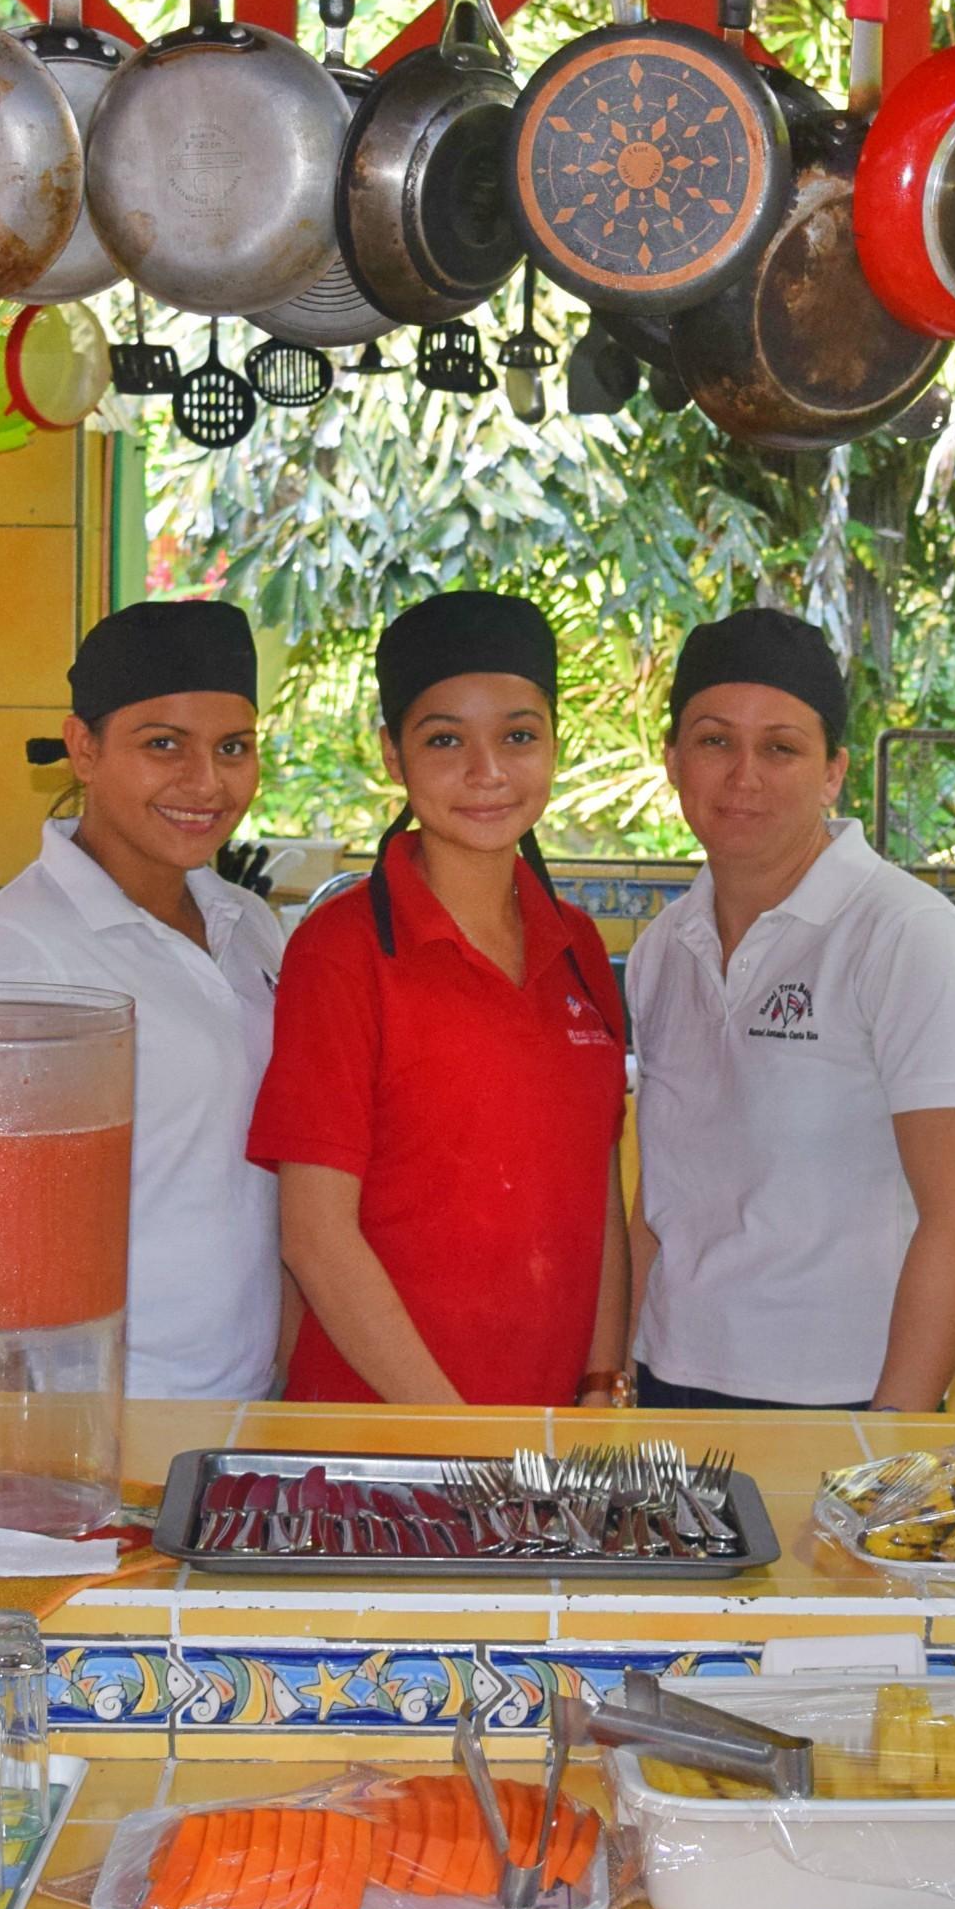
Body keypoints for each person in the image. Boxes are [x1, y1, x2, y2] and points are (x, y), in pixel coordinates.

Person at [245, 590, 633, 1405]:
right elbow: (315, 1238)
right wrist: (459, 1438)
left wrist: (601, 1377)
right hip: (380, 1453)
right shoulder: (343, 951)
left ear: (555, 744)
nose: (487, 771)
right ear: (393, 754)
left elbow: (596, 1191)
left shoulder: (579, 948)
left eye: (519, 735)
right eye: (445, 738)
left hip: (543, 1453)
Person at [622, 608, 955, 1412]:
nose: (743, 775)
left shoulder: (908, 938)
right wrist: (619, 1372)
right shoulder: (666, 948)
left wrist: (886, 1444)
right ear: (673, 761)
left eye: (781, 747)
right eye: (714, 740)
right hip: (670, 1383)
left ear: (833, 771)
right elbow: (658, 1201)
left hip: (838, 1401)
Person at [0, 598, 284, 1401]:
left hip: (242, 1401)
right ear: (83, 748)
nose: (207, 782)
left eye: (234, 747)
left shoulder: (249, 924)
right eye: (164, 744)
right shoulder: (14, 961)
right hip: (100, 1418)